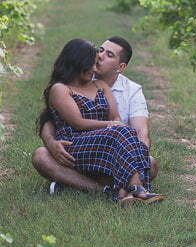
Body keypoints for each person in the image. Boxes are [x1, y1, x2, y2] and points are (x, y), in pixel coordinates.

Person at [35, 38, 162, 205]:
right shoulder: (66, 85)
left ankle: (108, 190)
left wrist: (135, 155)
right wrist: (51, 142)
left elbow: (140, 132)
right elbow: (54, 119)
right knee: (41, 155)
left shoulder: (127, 90)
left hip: (111, 150)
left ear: (120, 67)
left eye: (109, 54)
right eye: (100, 51)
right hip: (78, 148)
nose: (100, 58)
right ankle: (134, 189)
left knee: (149, 162)